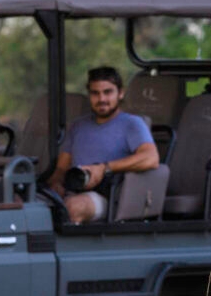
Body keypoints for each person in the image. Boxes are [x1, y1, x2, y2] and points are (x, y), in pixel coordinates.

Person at [49, 66, 160, 224]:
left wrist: (104, 168)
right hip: (72, 189)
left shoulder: (132, 124)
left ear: (120, 93)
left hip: (107, 196)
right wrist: (56, 183)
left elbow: (151, 158)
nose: (101, 99)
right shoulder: (77, 126)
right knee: (27, 205)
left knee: (72, 208)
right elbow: (61, 168)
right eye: (95, 93)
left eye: (108, 92)